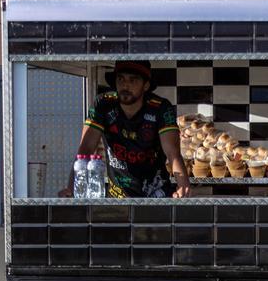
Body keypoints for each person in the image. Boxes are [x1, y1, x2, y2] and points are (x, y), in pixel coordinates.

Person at [64, 60, 191, 198]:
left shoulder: (160, 108)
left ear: (146, 85)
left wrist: (183, 186)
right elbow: (85, 149)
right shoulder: (103, 104)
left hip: (156, 195)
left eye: (133, 80)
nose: (125, 85)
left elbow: (173, 153)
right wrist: (71, 189)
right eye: (121, 79)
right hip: (117, 197)